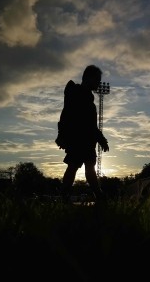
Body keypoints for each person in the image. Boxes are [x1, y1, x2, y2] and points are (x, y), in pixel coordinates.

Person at [55, 65, 109, 202]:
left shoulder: (89, 101)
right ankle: (64, 196)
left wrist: (101, 139)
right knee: (73, 166)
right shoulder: (76, 94)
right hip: (77, 139)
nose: (98, 83)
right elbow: (65, 115)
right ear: (88, 78)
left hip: (87, 140)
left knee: (88, 168)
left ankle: (99, 195)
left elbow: (91, 126)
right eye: (97, 79)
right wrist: (62, 134)